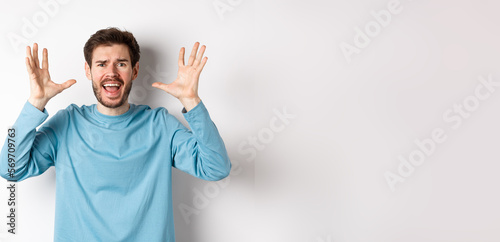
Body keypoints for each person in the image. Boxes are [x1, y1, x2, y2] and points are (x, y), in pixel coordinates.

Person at [0, 27, 231, 242]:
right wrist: (35, 104)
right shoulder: (67, 123)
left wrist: (192, 102)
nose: (111, 72)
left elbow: (216, 167)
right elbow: (9, 168)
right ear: (88, 71)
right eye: (101, 64)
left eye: (121, 64)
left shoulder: (160, 125)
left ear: (135, 70)